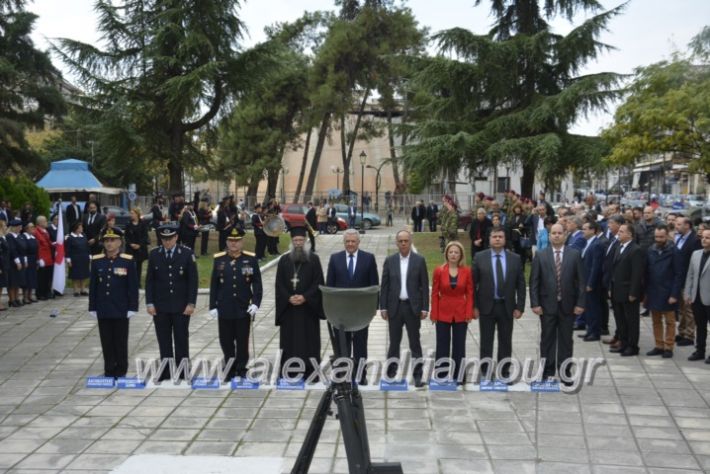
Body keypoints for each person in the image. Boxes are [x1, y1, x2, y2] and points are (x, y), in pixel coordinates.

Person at [530, 223, 585, 381]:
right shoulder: (541, 255)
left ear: (565, 235)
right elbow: (534, 281)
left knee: (566, 340)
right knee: (547, 339)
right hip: (547, 306)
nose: (556, 235)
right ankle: (547, 371)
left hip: (568, 306)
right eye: (553, 233)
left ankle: (565, 372)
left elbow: (581, 281)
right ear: (549, 236)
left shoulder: (574, 255)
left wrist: (581, 303)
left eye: (559, 233)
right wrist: (535, 303)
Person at [145, 223, 199, 381]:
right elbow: (150, 281)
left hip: (181, 305)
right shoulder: (154, 254)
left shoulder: (186, 254)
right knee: (164, 339)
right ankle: (166, 371)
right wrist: (150, 303)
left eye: (170, 238)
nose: (167, 242)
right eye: (164, 239)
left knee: (181, 338)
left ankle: (183, 371)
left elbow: (193, 281)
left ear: (176, 237)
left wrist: (191, 303)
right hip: (160, 305)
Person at [326, 228, 379, 384]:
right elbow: (330, 286)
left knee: (360, 344)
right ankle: (344, 376)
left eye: (353, 241)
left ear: (358, 242)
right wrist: (330, 309)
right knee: (343, 345)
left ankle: (361, 375)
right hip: (340, 312)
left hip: (361, 312)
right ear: (344, 242)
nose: (350, 244)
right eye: (347, 241)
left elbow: (374, 285)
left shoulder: (368, 259)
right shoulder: (335, 259)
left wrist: (375, 307)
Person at [473, 226, 526, 380]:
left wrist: (520, 307)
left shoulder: (515, 259)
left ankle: (504, 371)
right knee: (486, 340)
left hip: (506, 306)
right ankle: (486, 371)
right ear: (489, 239)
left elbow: (521, 285)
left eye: (500, 237)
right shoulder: (480, 257)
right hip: (486, 306)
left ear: (504, 239)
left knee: (505, 340)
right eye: (494, 236)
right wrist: (474, 306)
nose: (497, 239)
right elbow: (473, 284)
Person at [209, 227, 262, 381]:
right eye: (231, 241)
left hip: (242, 307)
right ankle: (229, 367)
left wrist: (256, 303)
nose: (233, 244)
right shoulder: (219, 259)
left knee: (242, 340)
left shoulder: (250, 259)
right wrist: (213, 306)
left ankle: (241, 368)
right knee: (225, 340)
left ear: (242, 242)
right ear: (226, 242)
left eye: (237, 241)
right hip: (224, 307)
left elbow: (257, 284)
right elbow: (214, 285)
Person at [380, 229, 429, 387]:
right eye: (400, 241)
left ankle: (418, 376)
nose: (403, 243)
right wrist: (383, 307)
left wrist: (425, 308)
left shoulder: (419, 260)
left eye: (406, 241)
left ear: (410, 242)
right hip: (395, 308)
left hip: (412, 308)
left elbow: (424, 285)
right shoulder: (390, 260)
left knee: (415, 342)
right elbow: (385, 286)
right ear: (396, 242)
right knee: (394, 343)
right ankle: (391, 374)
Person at [275, 226, 325, 382]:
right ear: (291, 241)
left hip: (308, 309)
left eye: (301, 240)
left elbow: (319, 283)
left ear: (306, 241)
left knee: (309, 341)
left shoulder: (314, 259)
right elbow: (279, 284)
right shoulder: (284, 260)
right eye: (295, 240)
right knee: (289, 341)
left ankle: (311, 371)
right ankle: (289, 371)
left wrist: (305, 297)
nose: (298, 243)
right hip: (289, 309)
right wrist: (289, 297)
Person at [88, 227, 138, 379]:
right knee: (106, 341)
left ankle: (121, 369)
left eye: (112, 240)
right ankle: (109, 369)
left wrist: (132, 307)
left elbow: (132, 286)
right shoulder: (97, 261)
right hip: (103, 308)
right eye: (106, 241)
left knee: (120, 341)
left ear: (119, 242)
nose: (109, 244)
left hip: (121, 308)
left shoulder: (127, 261)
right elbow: (93, 286)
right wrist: (92, 306)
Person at [430, 241, 473, 384]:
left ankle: (459, 376)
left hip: (461, 313)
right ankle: (441, 375)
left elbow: (470, 293)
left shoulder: (467, 271)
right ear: (446, 254)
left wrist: (468, 314)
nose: (453, 254)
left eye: (456, 252)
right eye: (451, 252)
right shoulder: (439, 270)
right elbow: (435, 294)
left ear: (461, 255)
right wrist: (434, 314)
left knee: (459, 346)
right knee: (442, 345)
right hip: (443, 313)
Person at [645, 225, 683, 358]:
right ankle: (658, 345)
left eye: (661, 237)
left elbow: (679, 274)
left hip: (668, 292)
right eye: (656, 237)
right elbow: (647, 271)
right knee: (655, 321)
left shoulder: (674, 251)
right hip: (653, 291)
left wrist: (674, 294)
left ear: (667, 236)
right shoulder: (650, 250)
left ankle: (668, 347)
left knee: (670, 321)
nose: (658, 239)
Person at [609, 223, 644, 356]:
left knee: (631, 320)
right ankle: (623, 342)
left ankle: (632, 346)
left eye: (622, 231)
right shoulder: (619, 247)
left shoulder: (636, 250)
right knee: (620, 319)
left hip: (628, 291)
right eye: (619, 231)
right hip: (617, 289)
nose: (619, 233)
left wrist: (633, 292)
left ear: (629, 234)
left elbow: (637, 274)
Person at [684, 228, 710, 364]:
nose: (704, 240)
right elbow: (690, 275)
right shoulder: (696, 254)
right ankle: (700, 351)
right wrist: (687, 293)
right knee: (700, 326)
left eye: (707, 238)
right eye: (703, 237)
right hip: (697, 297)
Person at [674, 216, 701, 347]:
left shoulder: (694, 240)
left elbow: (695, 262)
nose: (676, 226)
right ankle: (681, 332)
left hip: (688, 279)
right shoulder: (678, 238)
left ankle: (689, 335)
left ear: (687, 226)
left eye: (679, 224)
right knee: (681, 309)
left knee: (688, 309)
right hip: (678, 278)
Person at [577, 221, 604, 341]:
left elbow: (595, 266)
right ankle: (589, 330)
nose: (583, 231)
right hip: (584, 280)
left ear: (593, 230)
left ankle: (595, 332)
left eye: (585, 229)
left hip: (591, 283)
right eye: (582, 229)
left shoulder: (597, 244)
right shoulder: (588, 243)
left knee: (594, 308)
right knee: (587, 307)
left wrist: (590, 283)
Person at [124, 208, 150, 286]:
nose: (131, 215)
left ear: (137, 214)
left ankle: (138, 283)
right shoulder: (128, 224)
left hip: (140, 249)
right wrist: (131, 244)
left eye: (132, 213)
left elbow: (145, 236)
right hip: (130, 248)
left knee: (139, 266)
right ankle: (130, 281)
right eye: (130, 213)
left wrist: (139, 245)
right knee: (130, 266)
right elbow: (126, 236)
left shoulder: (143, 224)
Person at [65, 221, 91, 297]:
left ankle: (83, 289)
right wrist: (68, 260)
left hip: (84, 258)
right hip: (75, 259)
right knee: (75, 275)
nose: (82, 228)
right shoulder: (70, 238)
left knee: (84, 274)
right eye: (80, 227)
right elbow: (68, 250)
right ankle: (76, 290)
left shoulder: (83, 236)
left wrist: (89, 256)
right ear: (76, 229)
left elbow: (87, 247)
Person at [34, 216, 54, 300]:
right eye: (45, 221)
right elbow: (38, 246)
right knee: (41, 277)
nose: (47, 222)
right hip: (42, 257)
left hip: (48, 256)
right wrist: (39, 258)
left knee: (48, 276)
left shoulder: (45, 231)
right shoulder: (36, 232)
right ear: (40, 223)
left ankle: (47, 292)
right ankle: (40, 293)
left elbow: (48, 243)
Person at [20, 222, 38, 304]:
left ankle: (30, 295)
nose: (33, 228)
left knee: (32, 278)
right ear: (26, 229)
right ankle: (25, 296)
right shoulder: (23, 237)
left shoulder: (33, 237)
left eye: (33, 227)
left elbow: (36, 249)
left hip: (33, 259)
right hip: (27, 259)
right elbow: (23, 250)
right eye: (31, 227)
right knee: (27, 278)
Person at [0, 220, 8, 311]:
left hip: (4, 263)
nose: (6, 227)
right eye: (4, 225)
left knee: (1, 285)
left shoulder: (3, 237)